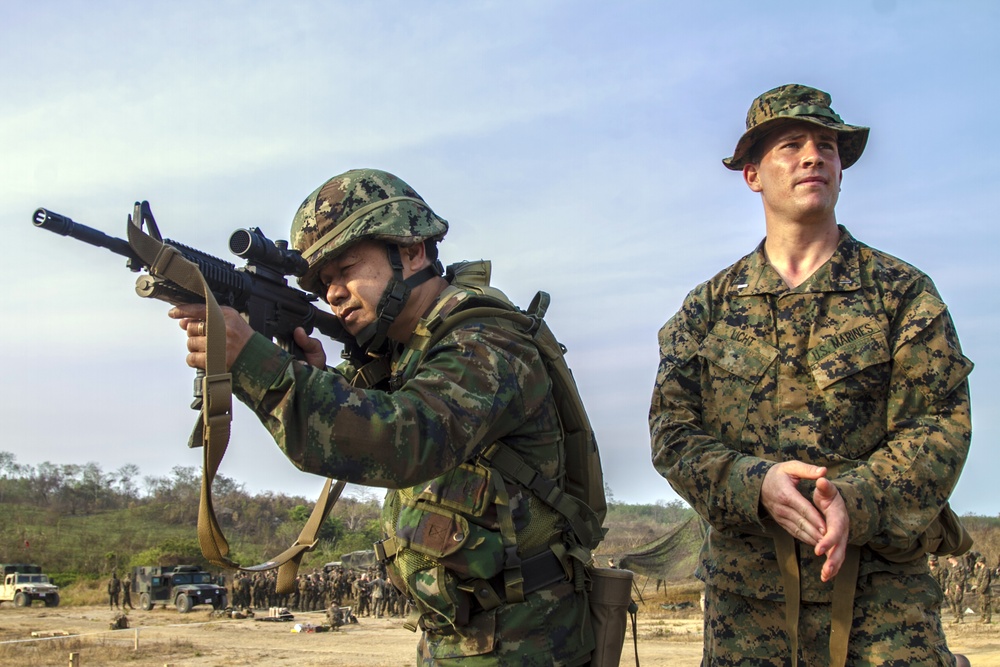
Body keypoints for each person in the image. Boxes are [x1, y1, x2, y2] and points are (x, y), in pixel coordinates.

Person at [169, 169, 601, 665]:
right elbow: (367, 429)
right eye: (324, 282)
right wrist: (313, 378)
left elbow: (405, 437)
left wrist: (254, 364)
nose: (332, 293)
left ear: (412, 250)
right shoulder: (407, 356)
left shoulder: (484, 338)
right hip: (462, 637)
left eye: (346, 269)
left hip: (529, 642)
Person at [649, 84, 974, 666]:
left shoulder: (902, 294)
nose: (812, 156)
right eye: (790, 144)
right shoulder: (710, 307)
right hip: (747, 616)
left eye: (827, 145)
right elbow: (672, 434)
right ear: (752, 175)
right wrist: (756, 484)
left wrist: (856, 499)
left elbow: (940, 425)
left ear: (841, 170)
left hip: (884, 612)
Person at [974, 555, 992, 624]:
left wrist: (982, 590)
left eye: (978, 562)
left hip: (985, 590)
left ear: (981, 562)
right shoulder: (980, 570)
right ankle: (982, 617)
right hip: (980, 590)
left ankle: (987, 618)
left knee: (986, 604)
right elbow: (976, 576)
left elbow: (985, 581)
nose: (977, 563)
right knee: (981, 604)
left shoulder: (986, 570)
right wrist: (975, 568)